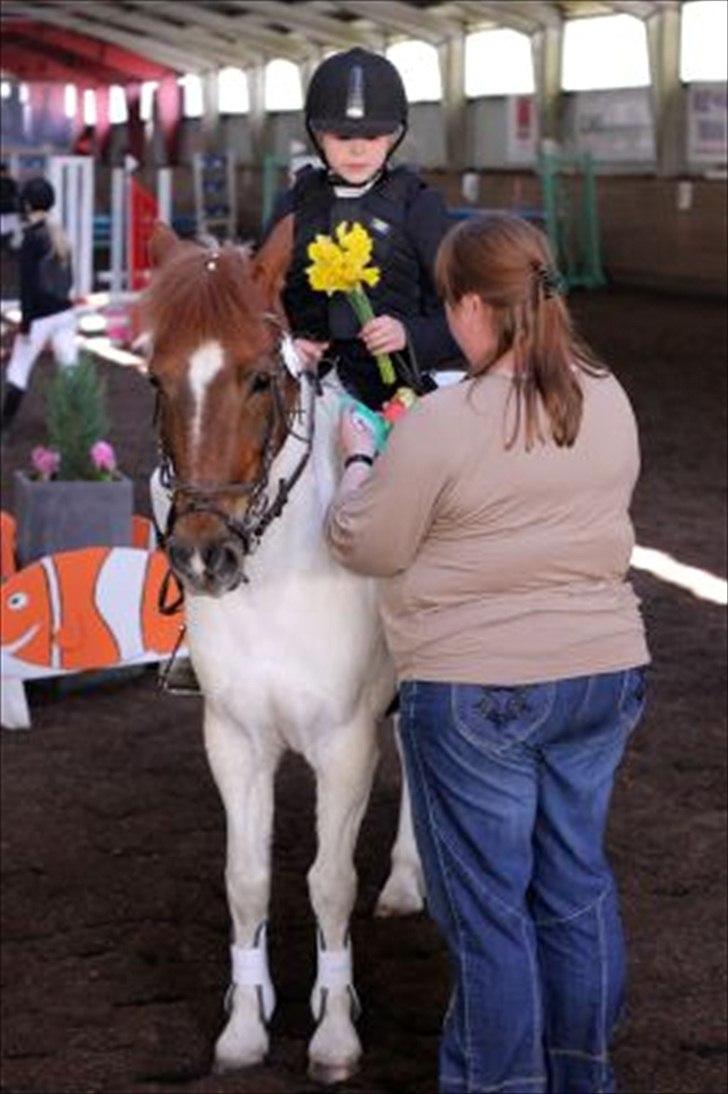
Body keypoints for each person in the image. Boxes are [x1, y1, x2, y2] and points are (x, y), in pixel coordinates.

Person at [326, 213, 650, 1094]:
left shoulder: (444, 420)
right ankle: (583, 1075)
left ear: (471, 305)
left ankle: (500, 1084)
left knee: (488, 909)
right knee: (574, 884)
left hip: (477, 687)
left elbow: (369, 545)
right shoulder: (605, 391)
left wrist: (359, 462)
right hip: (603, 670)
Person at [263, 47, 461, 409]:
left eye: (372, 138)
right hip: (304, 391)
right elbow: (258, 299)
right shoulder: (292, 205)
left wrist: (409, 334)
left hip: (397, 393)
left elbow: (464, 311)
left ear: (393, 137)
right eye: (341, 138)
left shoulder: (419, 206)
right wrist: (285, 345)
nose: (357, 150)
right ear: (317, 136)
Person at [1, 176, 76, 432]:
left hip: (40, 316)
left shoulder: (31, 239)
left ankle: (4, 426)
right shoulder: (58, 233)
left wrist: (25, 324)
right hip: (65, 313)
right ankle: (75, 422)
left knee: (18, 370)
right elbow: (69, 280)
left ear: (28, 205)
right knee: (70, 370)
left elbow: (28, 288)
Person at [0, 161, 21, 250]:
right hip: (10, 211)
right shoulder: (12, 182)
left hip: (8, 212)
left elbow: (17, 196)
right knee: (11, 234)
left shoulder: (11, 182)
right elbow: (17, 196)